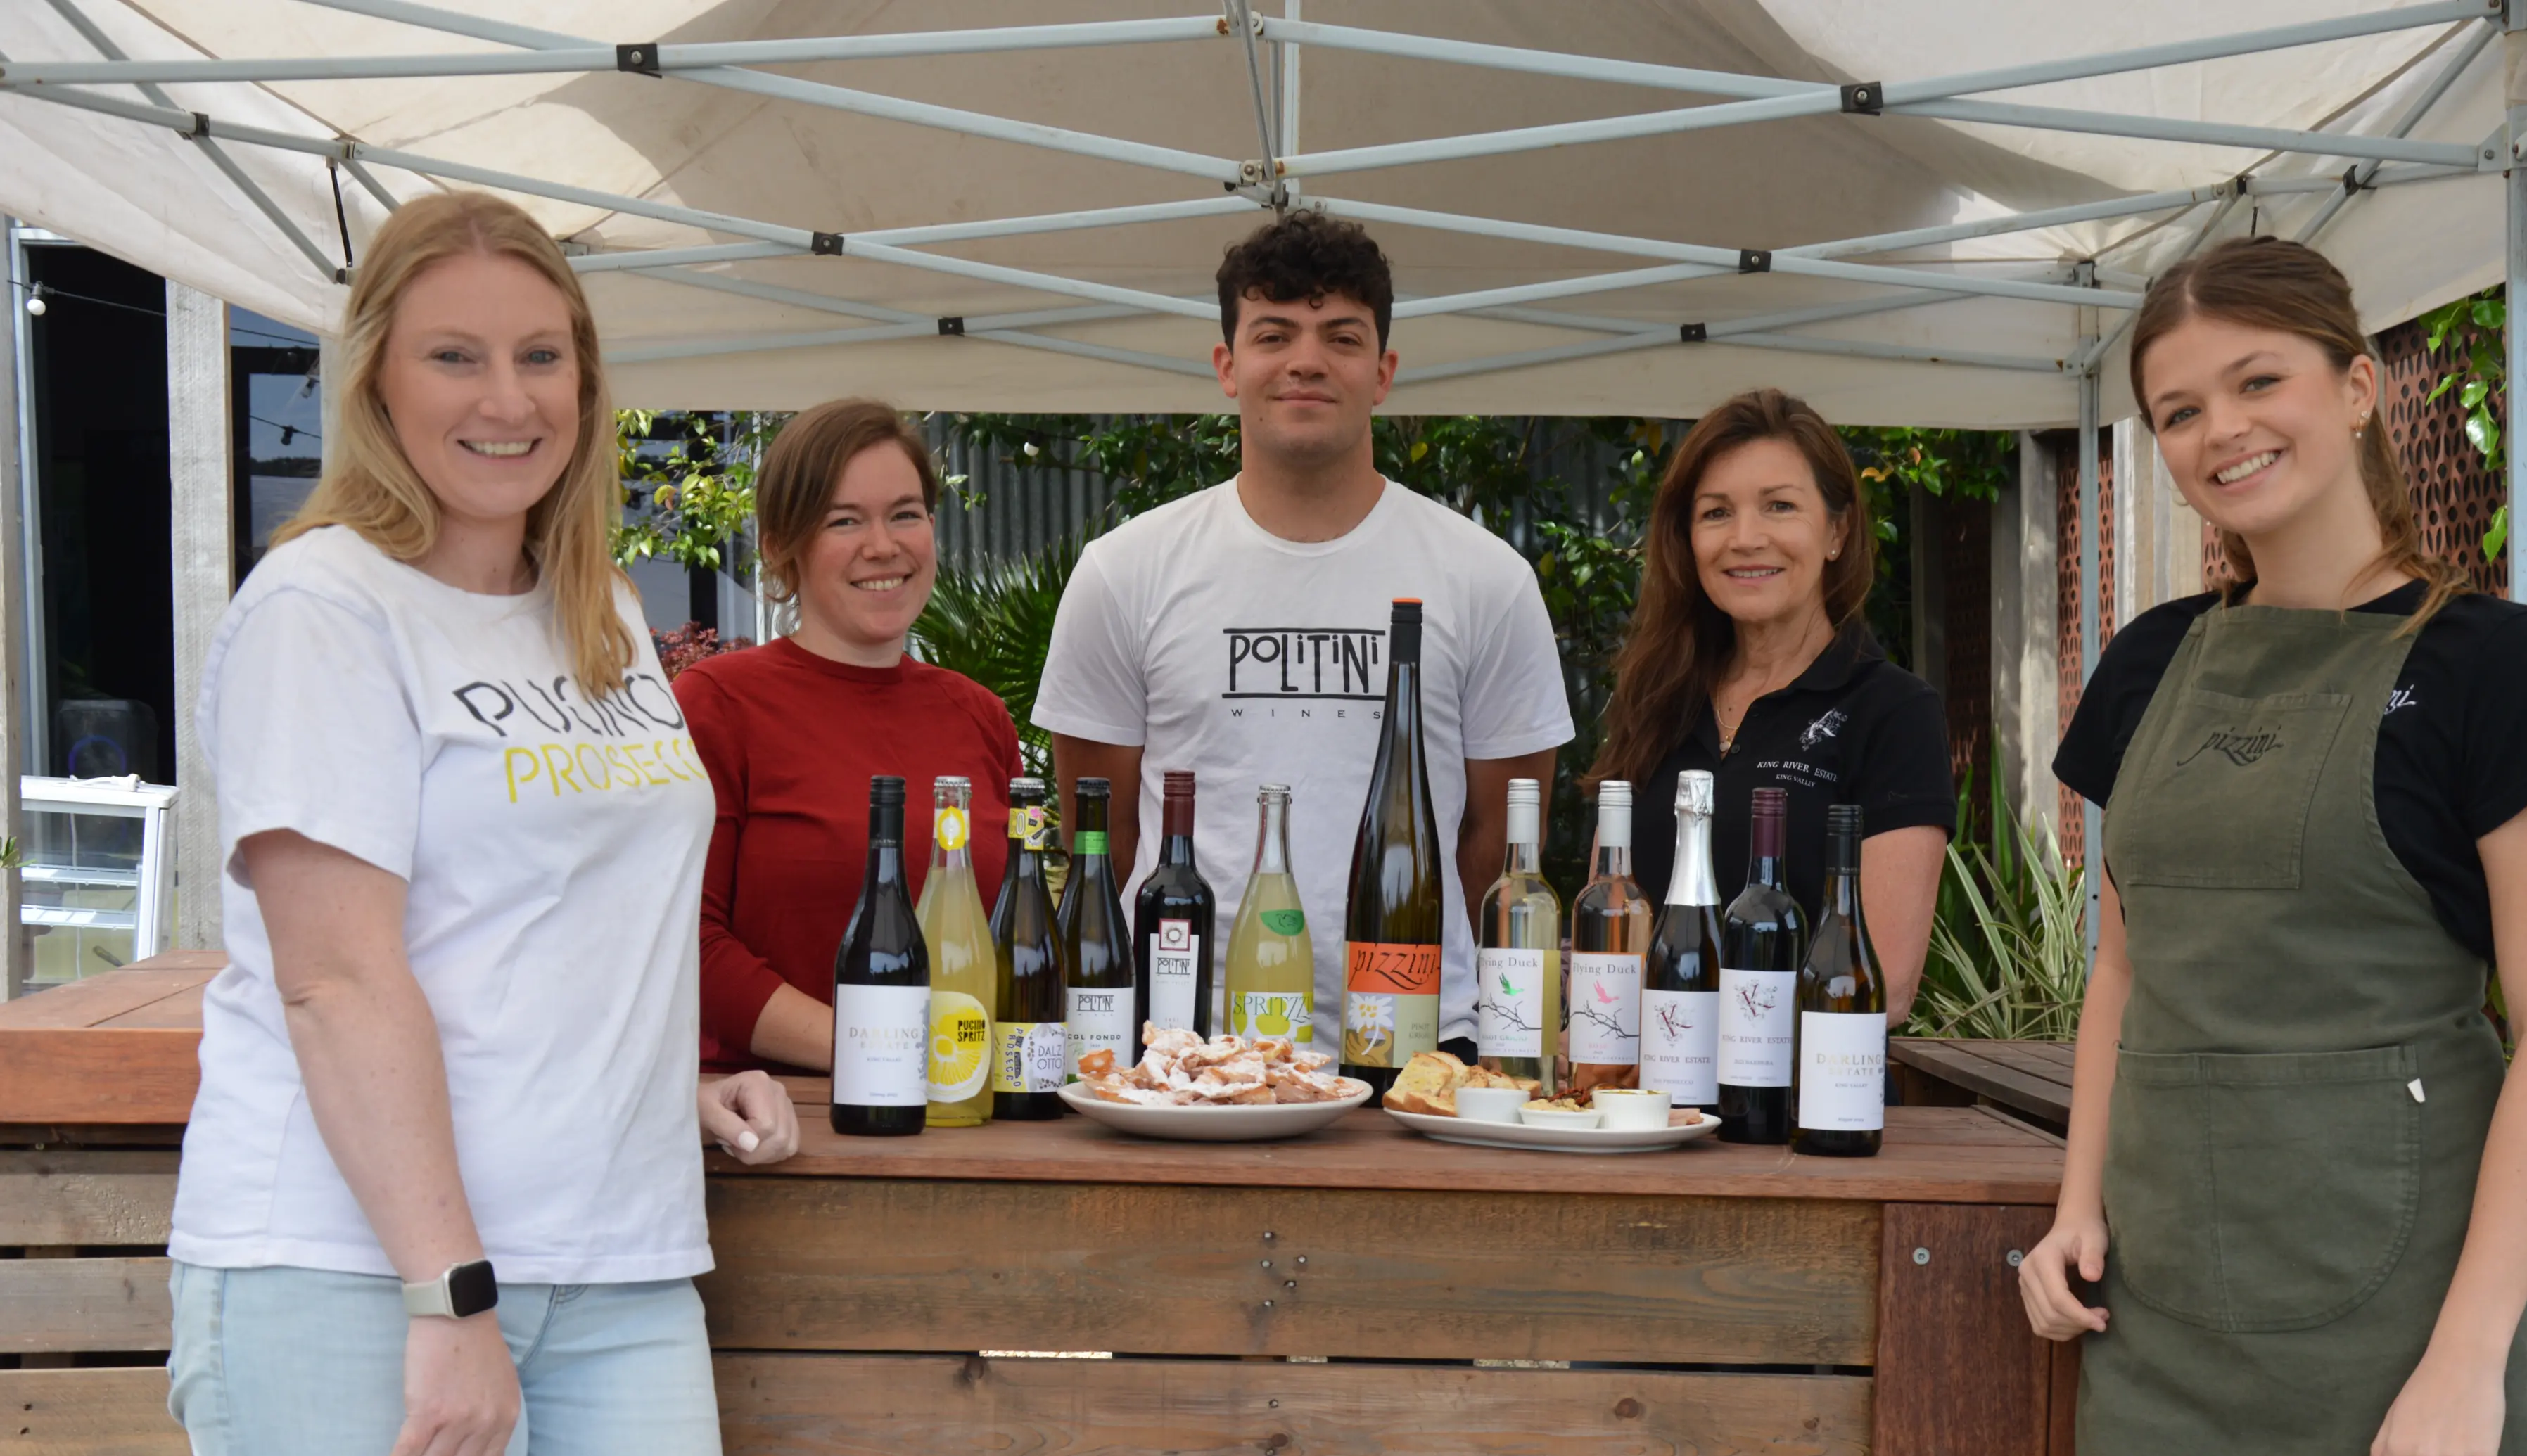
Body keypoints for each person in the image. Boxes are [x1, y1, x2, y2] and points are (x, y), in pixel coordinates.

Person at [167, 190, 799, 1456]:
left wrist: (671, 1081)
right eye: (455, 355)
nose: (504, 399)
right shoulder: (322, 609)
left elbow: (558, 924)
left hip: (618, 1275)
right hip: (366, 1282)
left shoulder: (595, 621)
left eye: (540, 355)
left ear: (586, 384)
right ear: (377, 377)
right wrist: (448, 1299)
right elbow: (333, 973)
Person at [2017, 236, 2527, 1456]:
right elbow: (2129, 970)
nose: (2219, 428)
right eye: (2174, 408)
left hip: (2404, 1346)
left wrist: (2468, 1361)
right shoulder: (2152, 662)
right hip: (2171, 1355)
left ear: (2356, 387)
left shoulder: (2491, 663)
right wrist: (2076, 1205)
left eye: (2256, 379)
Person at [1033, 212, 1574, 1059]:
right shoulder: (1123, 573)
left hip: (1420, 1047)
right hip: (1178, 1047)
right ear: (1226, 366)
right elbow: (1102, 832)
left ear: (1384, 372)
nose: (1306, 361)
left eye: (1341, 337)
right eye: (1274, 333)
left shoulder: (1486, 578)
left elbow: (1496, 845)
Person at [677, 400, 1022, 1071]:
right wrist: (886, 1055)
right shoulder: (717, 705)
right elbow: (686, 943)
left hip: (972, 1114)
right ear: (780, 544)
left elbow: (1017, 928)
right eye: (844, 521)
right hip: (788, 1126)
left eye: (905, 514)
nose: (883, 546)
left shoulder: (979, 716)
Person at [1591, 388, 1953, 1021]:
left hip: (1799, 1108)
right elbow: (1605, 934)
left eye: (1780, 506)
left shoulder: (1893, 712)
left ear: (1836, 531)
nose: (1746, 538)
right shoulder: (1654, 700)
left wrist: (1698, 1038)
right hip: (1642, 1106)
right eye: (1716, 513)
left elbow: (1885, 984)